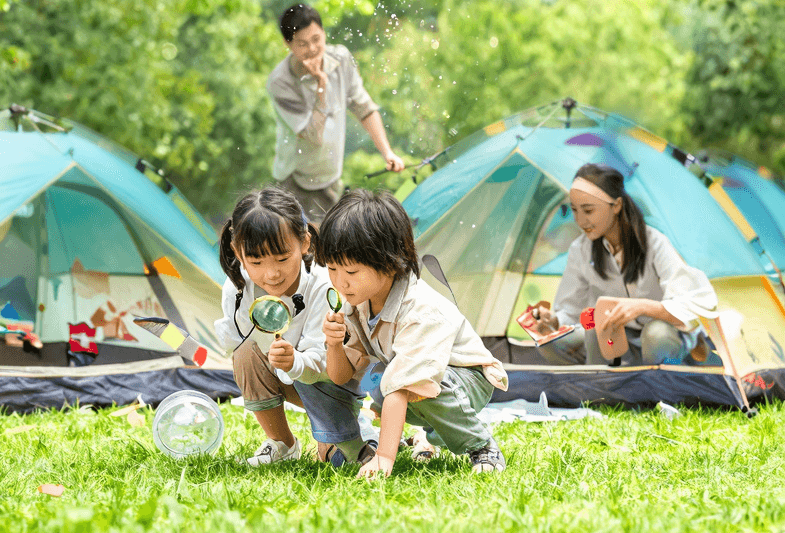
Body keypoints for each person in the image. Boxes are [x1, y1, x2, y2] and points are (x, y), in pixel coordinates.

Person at [317, 189, 509, 478]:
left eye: (352, 272)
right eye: (332, 269)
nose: (340, 282)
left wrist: (384, 458)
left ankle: (482, 445)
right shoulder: (356, 305)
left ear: (388, 261)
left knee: (413, 385)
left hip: (465, 379)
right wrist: (334, 344)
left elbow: (401, 385)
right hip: (414, 377)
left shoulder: (421, 310)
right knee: (379, 379)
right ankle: (432, 435)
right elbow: (341, 376)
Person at [214, 187, 375, 467]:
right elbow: (235, 342)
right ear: (237, 252)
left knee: (339, 459)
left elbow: (323, 364)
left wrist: (293, 361)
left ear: (305, 243)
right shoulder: (237, 288)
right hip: (286, 373)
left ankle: (358, 428)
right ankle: (281, 443)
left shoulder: (324, 285)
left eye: (282, 258)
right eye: (256, 261)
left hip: (329, 382)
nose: (271, 273)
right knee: (244, 354)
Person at [535, 163, 719, 366]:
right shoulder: (580, 249)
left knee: (656, 335)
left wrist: (643, 307)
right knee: (550, 342)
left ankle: (665, 377)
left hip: (661, 338)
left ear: (616, 206)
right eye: (575, 211)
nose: (580, 220)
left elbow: (692, 304)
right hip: (617, 340)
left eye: (588, 210)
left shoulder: (654, 242)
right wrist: (553, 320)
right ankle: (607, 380)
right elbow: (570, 311)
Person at [266, 3, 405, 222]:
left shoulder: (340, 59)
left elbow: (364, 107)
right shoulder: (281, 82)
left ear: (323, 33)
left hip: (330, 177)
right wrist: (321, 86)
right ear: (288, 44)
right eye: (302, 44)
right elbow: (313, 136)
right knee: (303, 239)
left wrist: (387, 152)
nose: (313, 48)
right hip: (295, 180)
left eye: (316, 39)